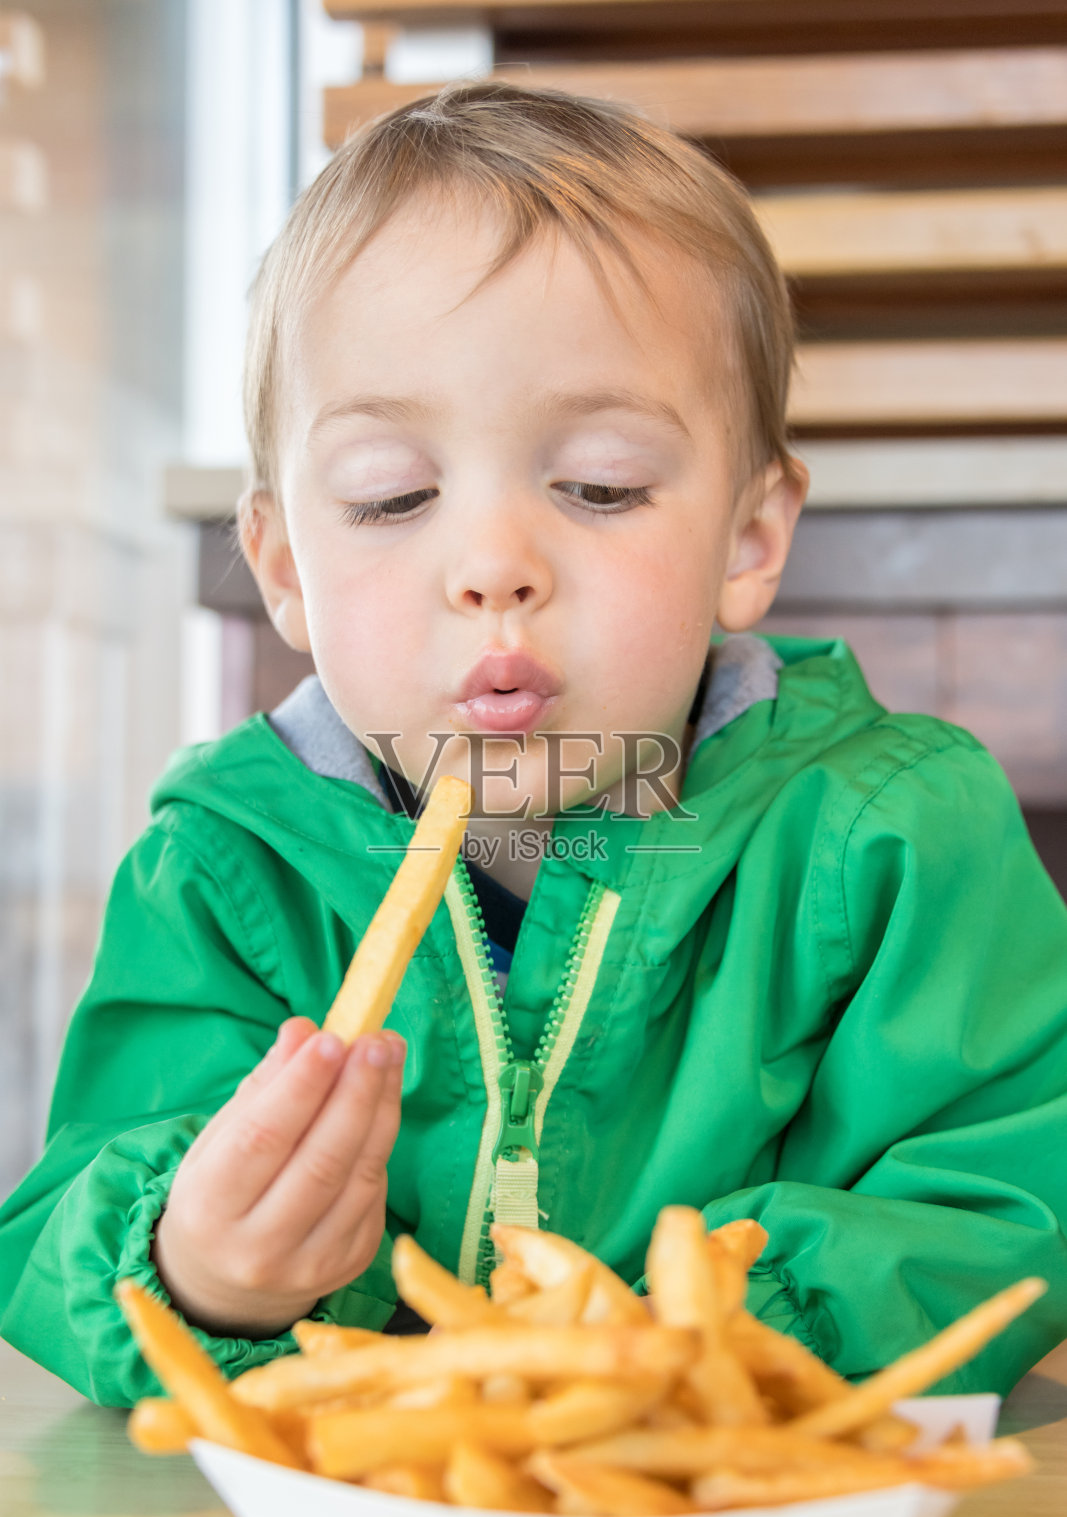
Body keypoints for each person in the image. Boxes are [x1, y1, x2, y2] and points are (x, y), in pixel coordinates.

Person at [1, 83, 1065, 1408]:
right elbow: (59, 1235)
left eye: (602, 486)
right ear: (281, 565)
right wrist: (198, 1271)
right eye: (392, 497)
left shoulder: (900, 838)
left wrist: (691, 1357)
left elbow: (1011, 1199)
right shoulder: (222, 877)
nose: (496, 566)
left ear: (749, 540)